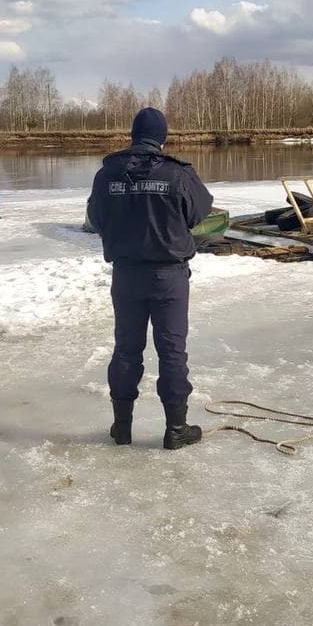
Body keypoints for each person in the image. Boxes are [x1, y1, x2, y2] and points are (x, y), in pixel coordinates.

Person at [86, 106, 214, 450]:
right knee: (172, 352)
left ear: (133, 134)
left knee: (126, 350)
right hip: (167, 277)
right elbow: (200, 211)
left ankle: (122, 427)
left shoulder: (107, 173)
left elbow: (95, 219)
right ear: (162, 137)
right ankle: (176, 430)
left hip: (126, 275)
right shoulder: (177, 174)